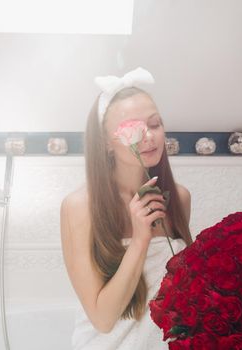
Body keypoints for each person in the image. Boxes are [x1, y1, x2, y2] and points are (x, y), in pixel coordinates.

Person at [60, 67, 193, 349]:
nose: (149, 137)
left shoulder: (178, 198)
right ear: (107, 143)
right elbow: (103, 320)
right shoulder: (79, 207)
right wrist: (140, 239)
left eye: (155, 124)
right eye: (133, 130)